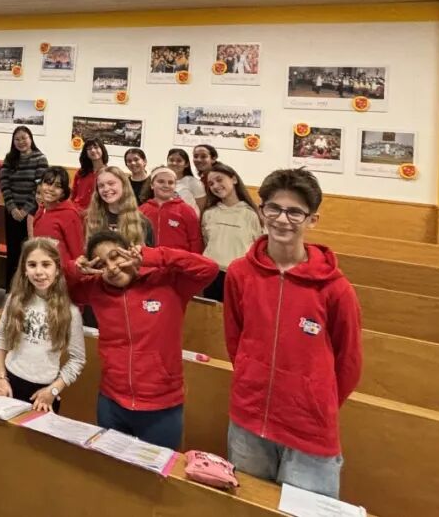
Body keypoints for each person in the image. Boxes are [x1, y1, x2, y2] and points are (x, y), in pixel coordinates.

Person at [225, 169, 362, 499]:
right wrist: (251, 378)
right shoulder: (240, 273)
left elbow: (349, 363)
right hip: (248, 421)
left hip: (309, 431)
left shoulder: (335, 289)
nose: (282, 219)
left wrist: (313, 400)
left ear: (312, 219)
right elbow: (235, 340)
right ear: (262, 211)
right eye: (273, 208)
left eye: (295, 212)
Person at [72, 230, 217, 449]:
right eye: (101, 264)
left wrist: (152, 255)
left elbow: (209, 269)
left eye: (115, 257)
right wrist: (75, 269)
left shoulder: (168, 282)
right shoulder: (96, 289)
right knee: (111, 467)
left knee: (158, 470)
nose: (111, 268)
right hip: (112, 402)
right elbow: (59, 285)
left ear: (130, 252)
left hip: (161, 407)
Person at [0, 238, 86, 413]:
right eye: (32, 265)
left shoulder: (70, 312)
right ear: (25, 270)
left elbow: (77, 359)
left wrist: (54, 389)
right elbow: (1, 336)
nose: (39, 272)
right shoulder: (14, 300)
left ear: (57, 269)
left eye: (46, 265)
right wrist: (1, 377)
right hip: (9, 383)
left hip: (44, 393)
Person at [201, 163, 263, 301]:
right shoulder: (209, 213)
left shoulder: (251, 214)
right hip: (211, 275)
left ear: (234, 179)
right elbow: (207, 242)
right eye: (211, 184)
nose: (215, 186)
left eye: (219, 180)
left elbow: (259, 249)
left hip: (238, 276)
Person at [0, 126, 49, 289]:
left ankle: (27, 290)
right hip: (11, 212)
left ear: (31, 139)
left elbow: (39, 188)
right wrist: (12, 208)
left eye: (24, 138)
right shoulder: (9, 159)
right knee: (13, 252)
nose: (21, 142)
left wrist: (26, 210)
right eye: (17, 139)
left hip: (31, 214)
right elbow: (4, 184)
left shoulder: (40, 159)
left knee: (30, 253)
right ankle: (10, 291)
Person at [31, 167, 85, 278]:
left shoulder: (69, 214)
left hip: (62, 276)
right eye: (47, 183)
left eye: (57, 186)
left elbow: (78, 253)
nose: (51, 189)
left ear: (63, 193)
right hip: (42, 274)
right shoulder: (40, 210)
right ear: (40, 185)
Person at [85, 166, 155, 248]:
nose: (106, 189)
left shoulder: (142, 222)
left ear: (124, 185)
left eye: (111, 183)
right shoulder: (91, 220)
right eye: (101, 186)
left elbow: (149, 253)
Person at [139, 166, 204, 252]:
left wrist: (192, 260)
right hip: (149, 259)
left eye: (170, 183)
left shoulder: (186, 210)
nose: (166, 185)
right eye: (161, 181)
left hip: (179, 260)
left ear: (175, 186)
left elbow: (196, 241)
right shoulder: (141, 211)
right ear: (151, 185)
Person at [71, 138, 107, 216]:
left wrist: (89, 212)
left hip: (96, 215)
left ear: (102, 149)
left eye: (96, 147)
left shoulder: (109, 173)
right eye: (89, 149)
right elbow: (73, 194)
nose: (93, 150)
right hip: (75, 212)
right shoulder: (80, 172)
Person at [168, 148, 207, 215]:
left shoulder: (194, 183)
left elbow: (201, 209)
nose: (174, 163)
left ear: (186, 164)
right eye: (171, 160)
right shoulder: (162, 182)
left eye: (179, 161)